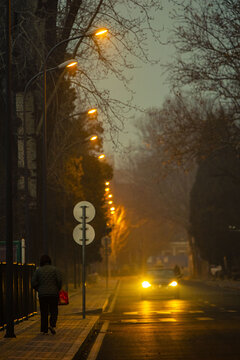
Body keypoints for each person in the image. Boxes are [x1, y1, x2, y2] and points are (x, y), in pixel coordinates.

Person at [32, 255, 62, 335]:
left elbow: (33, 282)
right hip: (53, 294)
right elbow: (59, 281)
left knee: (44, 312)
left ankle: (44, 330)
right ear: (49, 261)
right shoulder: (55, 270)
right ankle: (52, 325)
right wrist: (57, 289)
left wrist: (39, 289)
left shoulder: (38, 271)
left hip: (43, 295)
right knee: (54, 311)